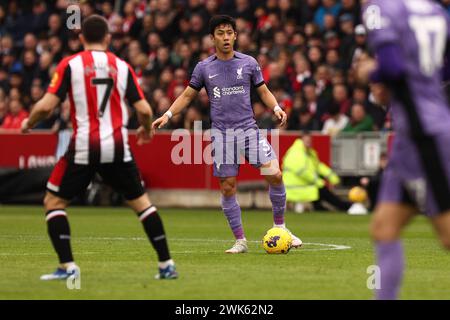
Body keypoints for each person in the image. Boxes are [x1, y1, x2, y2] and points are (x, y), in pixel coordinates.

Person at [20, 15, 177, 281]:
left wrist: (29, 122)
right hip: (117, 146)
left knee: (54, 202)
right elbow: (145, 109)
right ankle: (166, 264)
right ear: (107, 38)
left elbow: (47, 106)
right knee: (142, 204)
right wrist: (146, 129)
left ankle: (68, 268)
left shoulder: (71, 64)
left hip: (83, 146)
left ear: (81, 38)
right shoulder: (122, 66)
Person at [152, 15, 302, 253]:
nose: (226, 37)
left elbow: (263, 91)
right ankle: (240, 240)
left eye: (229, 32)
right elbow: (188, 96)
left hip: (248, 131)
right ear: (212, 38)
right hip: (222, 136)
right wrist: (168, 115)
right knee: (228, 187)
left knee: (274, 174)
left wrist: (276, 108)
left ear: (235, 36)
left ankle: (281, 228)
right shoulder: (204, 67)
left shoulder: (249, 63)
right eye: (220, 33)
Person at [357, 0, 450, 299]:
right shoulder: (433, 10)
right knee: (384, 228)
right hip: (413, 134)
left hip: (425, 135)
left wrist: (371, 72)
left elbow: (394, 68)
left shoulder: (380, 8)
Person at [282, 131, 354, 213]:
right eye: (306, 141)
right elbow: (302, 172)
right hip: (297, 187)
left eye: (309, 140)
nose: (308, 142)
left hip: (304, 185)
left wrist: (331, 176)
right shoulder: (296, 153)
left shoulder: (308, 152)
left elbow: (318, 166)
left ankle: (338, 208)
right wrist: (317, 181)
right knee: (325, 192)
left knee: (322, 196)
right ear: (300, 140)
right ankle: (346, 207)